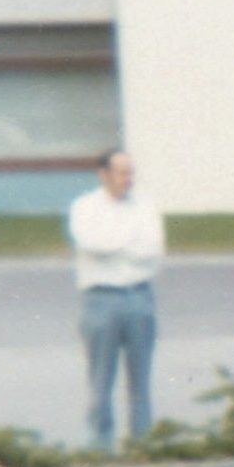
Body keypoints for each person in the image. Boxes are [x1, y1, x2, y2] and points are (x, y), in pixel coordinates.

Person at [66, 147, 164, 449]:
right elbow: (91, 243)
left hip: (139, 297)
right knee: (100, 379)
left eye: (131, 172)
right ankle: (99, 445)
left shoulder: (145, 208)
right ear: (104, 174)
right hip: (100, 300)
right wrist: (126, 243)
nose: (127, 178)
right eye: (121, 172)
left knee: (140, 380)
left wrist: (115, 246)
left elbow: (151, 250)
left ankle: (142, 444)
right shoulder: (85, 207)